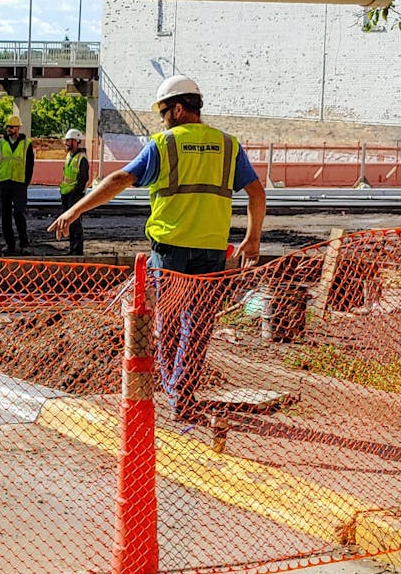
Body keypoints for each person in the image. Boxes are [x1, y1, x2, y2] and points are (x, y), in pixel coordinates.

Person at [49, 75, 266, 419]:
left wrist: (75, 210)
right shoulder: (228, 145)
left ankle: (173, 388)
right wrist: (252, 240)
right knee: (198, 327)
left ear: (178, 109)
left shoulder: (164, 144)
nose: (162, 118)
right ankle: (183, 394)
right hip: (211, 251)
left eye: (164, 111)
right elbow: (256, 192)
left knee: (168, 323)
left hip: (170, 252)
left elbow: (120, 179)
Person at [0, 113, 35, 255]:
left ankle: (24, 242)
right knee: (5, 215)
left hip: (19, 182)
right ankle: (9, 244)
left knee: (19, 213)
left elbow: (30, 165)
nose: (9, 129)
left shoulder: (26, 144)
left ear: (18, 128)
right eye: (8, 127)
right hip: (4, 182)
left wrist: (26, 181)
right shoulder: (1, 143)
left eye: (12, 127)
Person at [59, 128, 91, 255]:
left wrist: (76, 193)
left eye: (69, 141)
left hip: (75, 195)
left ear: (76, 141)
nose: (66, 143)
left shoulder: (81, 158)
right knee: (69, 223)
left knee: (75, 223)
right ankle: (72, 248)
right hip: (66, 193)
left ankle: (77, 250)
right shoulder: (69, 156)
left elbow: (83, 178)